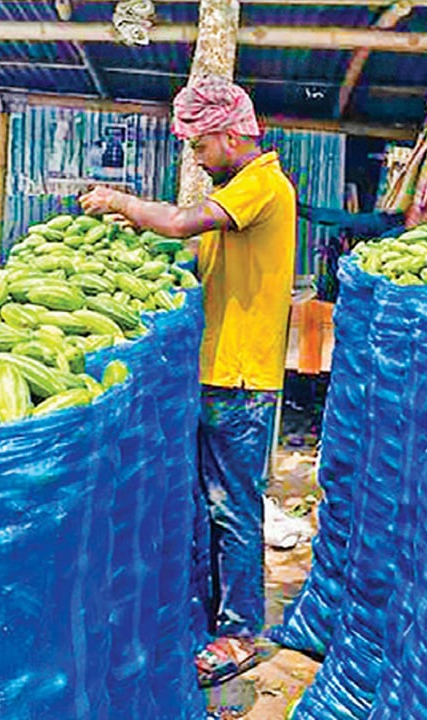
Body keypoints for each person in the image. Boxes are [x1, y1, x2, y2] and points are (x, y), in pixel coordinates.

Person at [78, 75, 297, 688]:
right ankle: (215, 614)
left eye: (200, 144)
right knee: (208, 502)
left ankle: (239, 633)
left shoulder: (261, 184)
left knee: (233, 507)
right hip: (214, 369)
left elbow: (179, 224)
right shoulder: (240, 190)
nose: (195, 156)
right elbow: (191, 253)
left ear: (231, 134)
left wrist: (123, 203)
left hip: (242, 377)